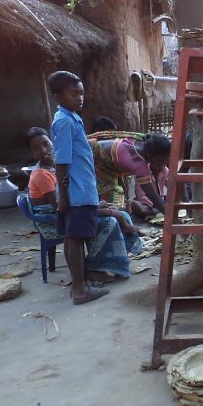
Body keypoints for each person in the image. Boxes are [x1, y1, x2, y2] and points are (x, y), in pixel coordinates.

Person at [26, 127, 142, 281]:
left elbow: (72, 198)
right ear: (32, 153)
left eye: (46, 144)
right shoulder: (42, 175)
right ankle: (93, 268)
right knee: (109, 221)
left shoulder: (56, 167)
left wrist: (100, 206)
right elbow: (61, 208)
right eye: (36, 148)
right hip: (55, 220)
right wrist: (103, 211)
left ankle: (115, 263)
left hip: (70, 210)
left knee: (120, 212)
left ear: (52, 143)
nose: (43, 150)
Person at [49, 71, 107, 304]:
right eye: (74, 94)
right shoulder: (63, 121)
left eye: (81, 93)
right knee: (74, 239)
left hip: (80, 189)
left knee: (73, 238)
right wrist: (63, 197)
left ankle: (78, 284)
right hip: (76, 192)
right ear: (58, 96)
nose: (80, 98)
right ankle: (80, 289)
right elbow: (61, 160)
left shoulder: (72, 117)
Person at [86, 125, 171, 214]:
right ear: (150, 155)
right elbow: (153, 196)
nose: (163, 164)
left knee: (118, 205)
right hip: (91, 159)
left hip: (101, 159)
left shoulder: (141, 141)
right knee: (114, 207)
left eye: (165, 160)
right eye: (160, 160)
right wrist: (170, 216)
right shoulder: (139, 163)